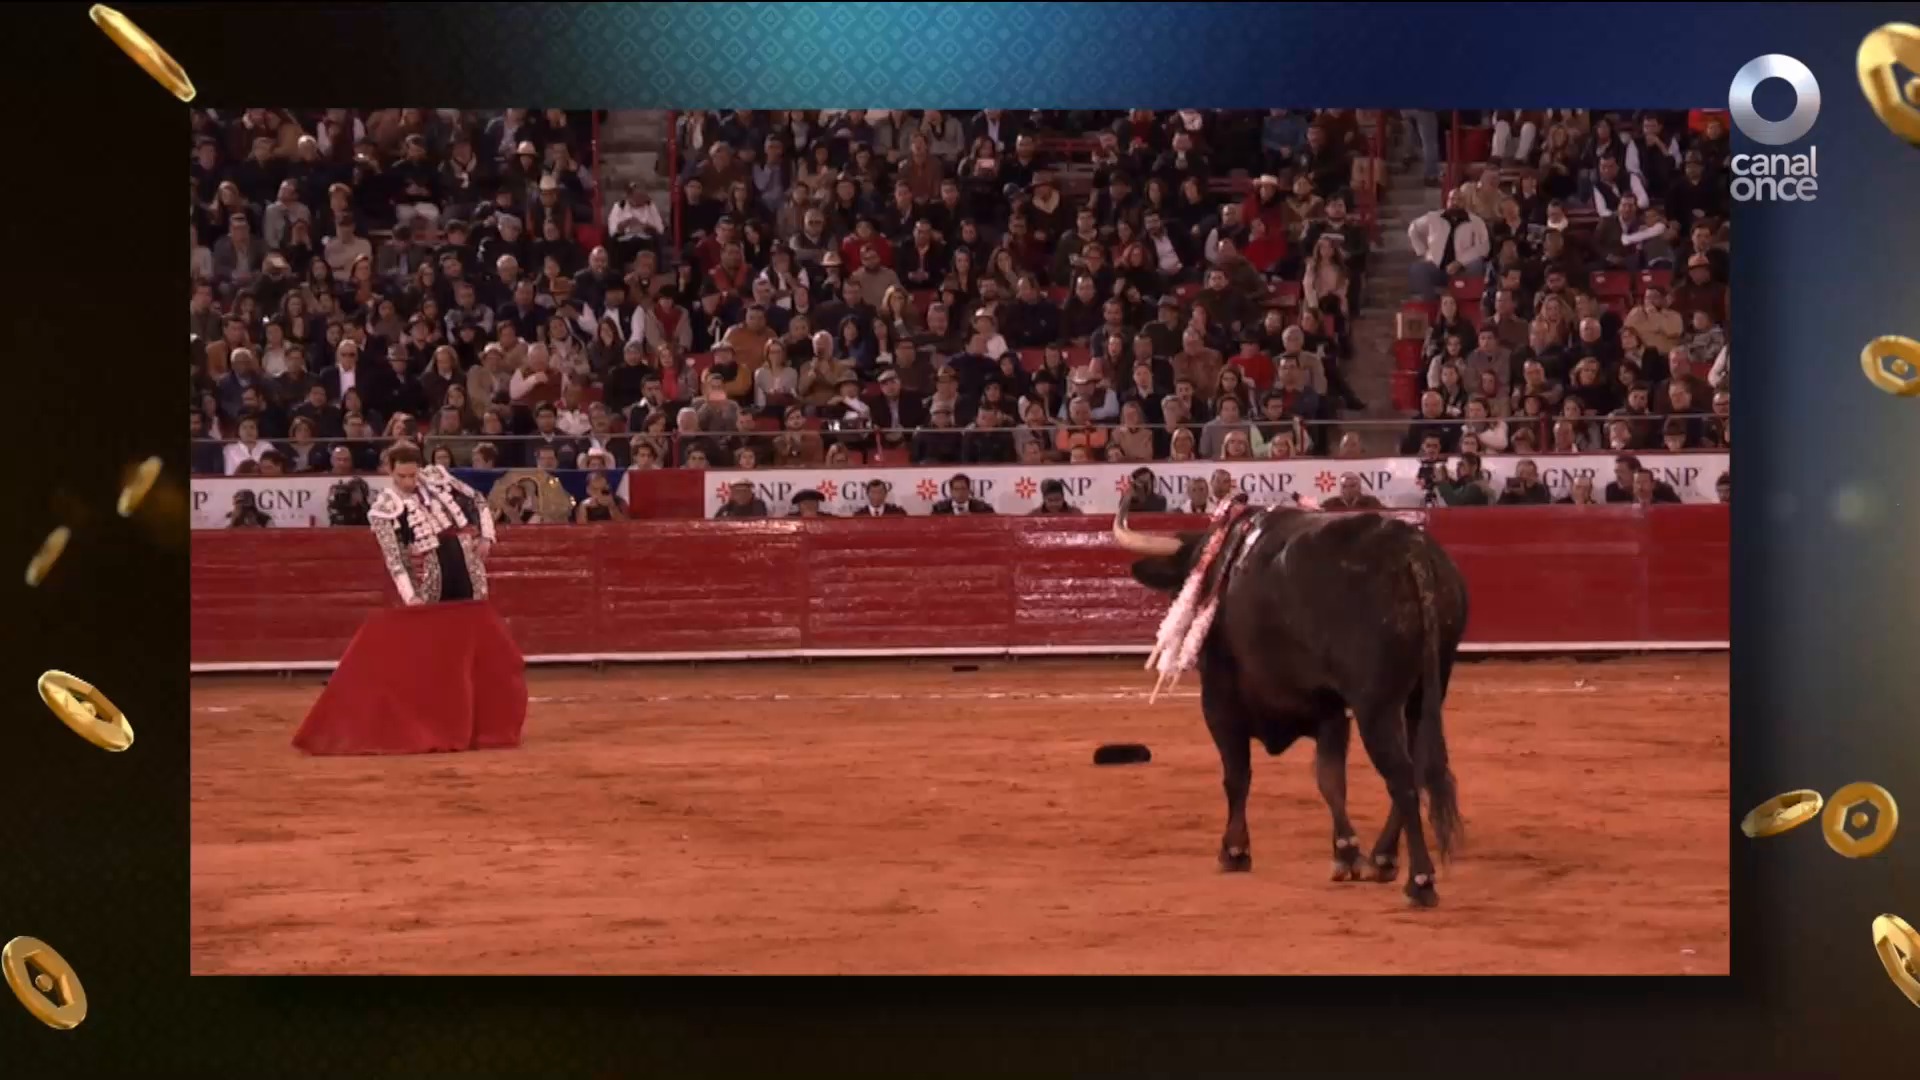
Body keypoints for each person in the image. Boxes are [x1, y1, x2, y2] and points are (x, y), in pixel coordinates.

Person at [366, 444, 496, 606]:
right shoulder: (384, 508)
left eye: (412, 475)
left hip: (466, 561)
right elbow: (394, 558)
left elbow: (477, 498)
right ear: (389, 470)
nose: (408, 482)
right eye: (402, 476)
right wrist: (410, 596)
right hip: (428, 574)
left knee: (475, 617)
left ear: (419, 468)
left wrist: (487, 536)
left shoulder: (436, 478)